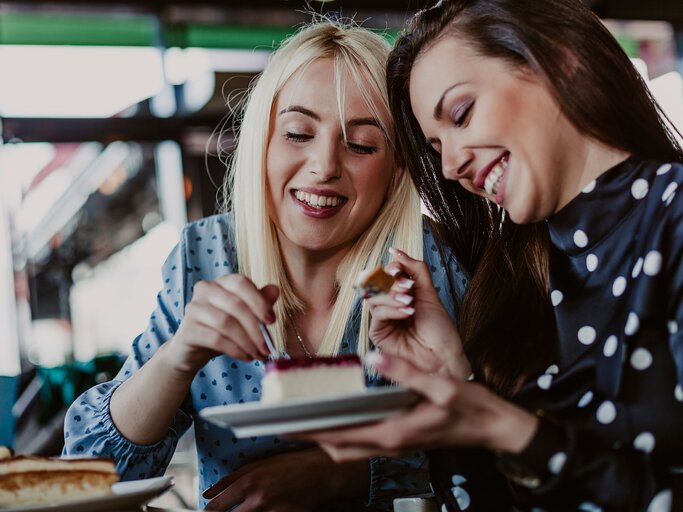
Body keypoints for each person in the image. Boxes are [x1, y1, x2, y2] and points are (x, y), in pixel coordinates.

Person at [62, 19, 469, 512]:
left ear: (398, 166)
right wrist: (179, 357)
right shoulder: (206, 256)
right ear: (262, 143)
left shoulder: (422, 269)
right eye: (298, 133)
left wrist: (343, 475)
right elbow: (93, 469)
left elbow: (492, 454)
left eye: (361, 144)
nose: (324, 166)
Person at [299, 1, 683, 511]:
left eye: (461, 114)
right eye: (435, 148)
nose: (453, 164)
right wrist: (454, 378)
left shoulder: (673, 220)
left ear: (562, 60)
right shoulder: (513, 280)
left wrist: (503, 427)